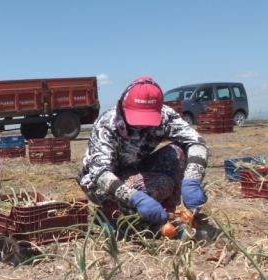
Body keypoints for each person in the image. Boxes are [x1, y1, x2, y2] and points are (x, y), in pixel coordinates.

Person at [76, 76, 209, 231]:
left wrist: (192, 179)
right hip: (99, 181)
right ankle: (112, 213)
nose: (141, 124)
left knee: (177, 153)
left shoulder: (166, 116)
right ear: (123, 106)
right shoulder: (107, 124)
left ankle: (167, 216)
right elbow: (99, 172)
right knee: (159, 184)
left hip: (135, 168)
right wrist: (136, 199)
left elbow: (197, 142)